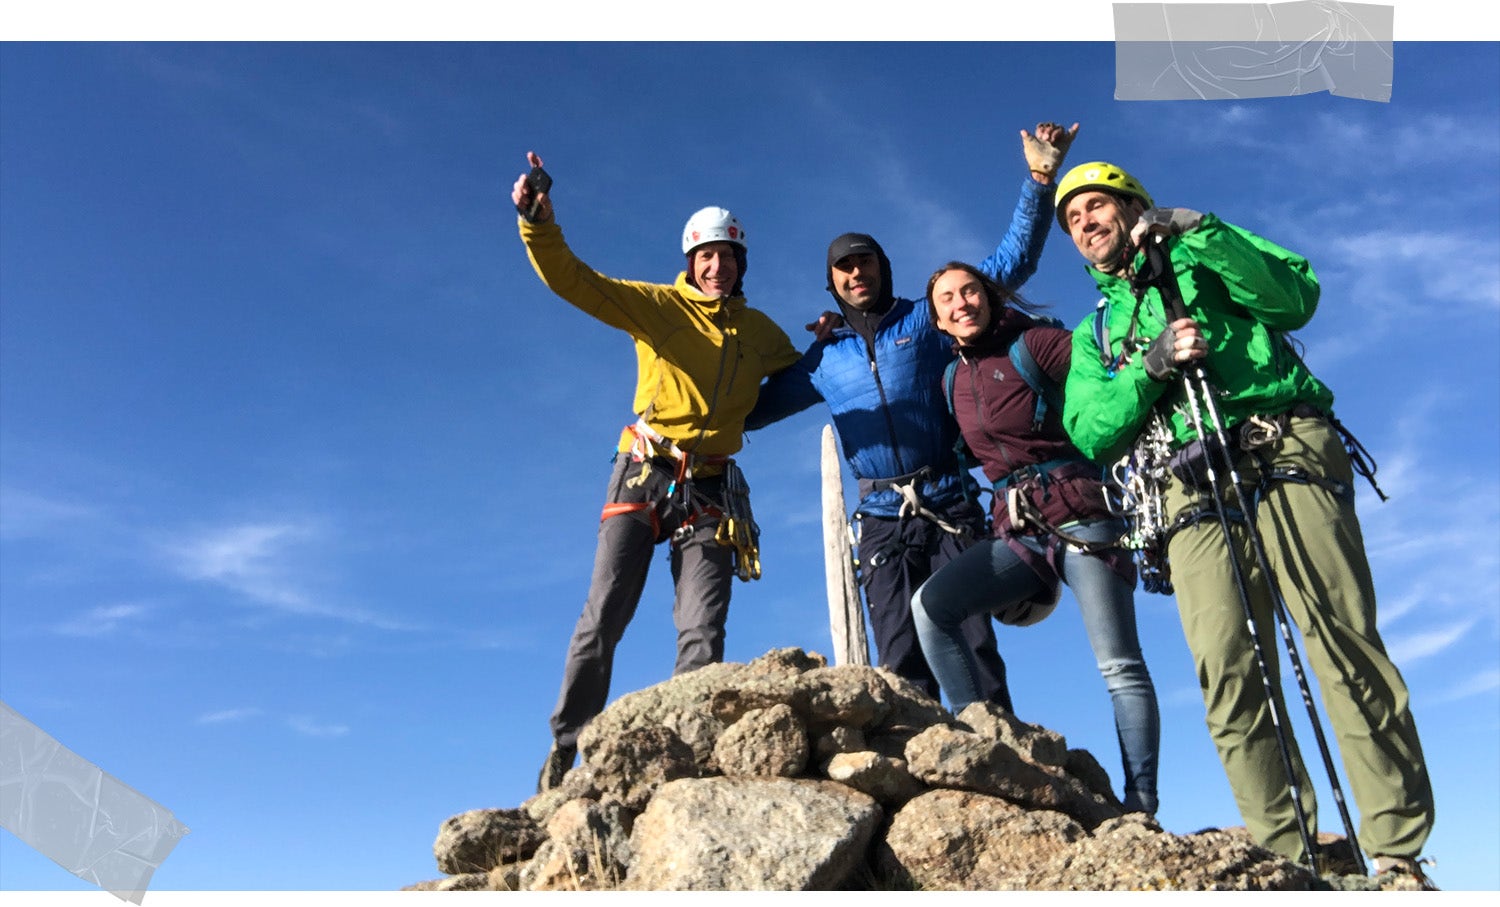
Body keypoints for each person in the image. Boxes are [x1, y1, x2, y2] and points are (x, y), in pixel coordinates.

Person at [1054, 161, 1435, 880]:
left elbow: (1294, 297)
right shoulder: (1096, 330)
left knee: (1338, 632)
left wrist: (1199, 228)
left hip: (1284, 439)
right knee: (1228, 665)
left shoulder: (1204, 255)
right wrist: (1153, 365)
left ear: (1133, 207)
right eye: (1072, 220)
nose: (1085, 225)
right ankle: (1285, 860)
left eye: (1096, 207)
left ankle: (1396, 851)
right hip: (1188, 479)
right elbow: (1090, 429)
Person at [746, 123, 1079, 710]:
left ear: (882, 268)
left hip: (949, 503)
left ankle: (995, 756)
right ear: (832, 283)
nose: (856, 273)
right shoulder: (823, 358)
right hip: (880, 518)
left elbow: (1009, 264)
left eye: (865, 262)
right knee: (898, 658)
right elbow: (753, 411)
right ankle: (917, 776)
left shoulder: (927, 319)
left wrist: (1039, 181)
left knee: (973, 643)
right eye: (844, 268)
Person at [511, 151, 802, 793]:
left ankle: (687, 748)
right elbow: (575, 281)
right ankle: (566, 750)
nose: (716, 266)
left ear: (740, 263)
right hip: (644, 470)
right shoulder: (656, 307)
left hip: (713, 487)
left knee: (702, 622)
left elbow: (801, 376)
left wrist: (835, 337)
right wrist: (538, 224)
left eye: (727, 256)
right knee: (605, 613)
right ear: (690, 261)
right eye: (706, 255)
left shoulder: (761, 332)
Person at [908, 261, 1162, 815]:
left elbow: (1104, 376)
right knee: (931, 608)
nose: (961, 303)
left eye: (970, 291)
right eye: (947, 298)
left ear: (989, 297)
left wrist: (1154, 363)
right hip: (1019, 531)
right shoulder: (952, 380)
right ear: (937, 318)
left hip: (1081, 516)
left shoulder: (1037, 344)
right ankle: (973, 743)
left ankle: (1140, 803)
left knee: (1119, 664)